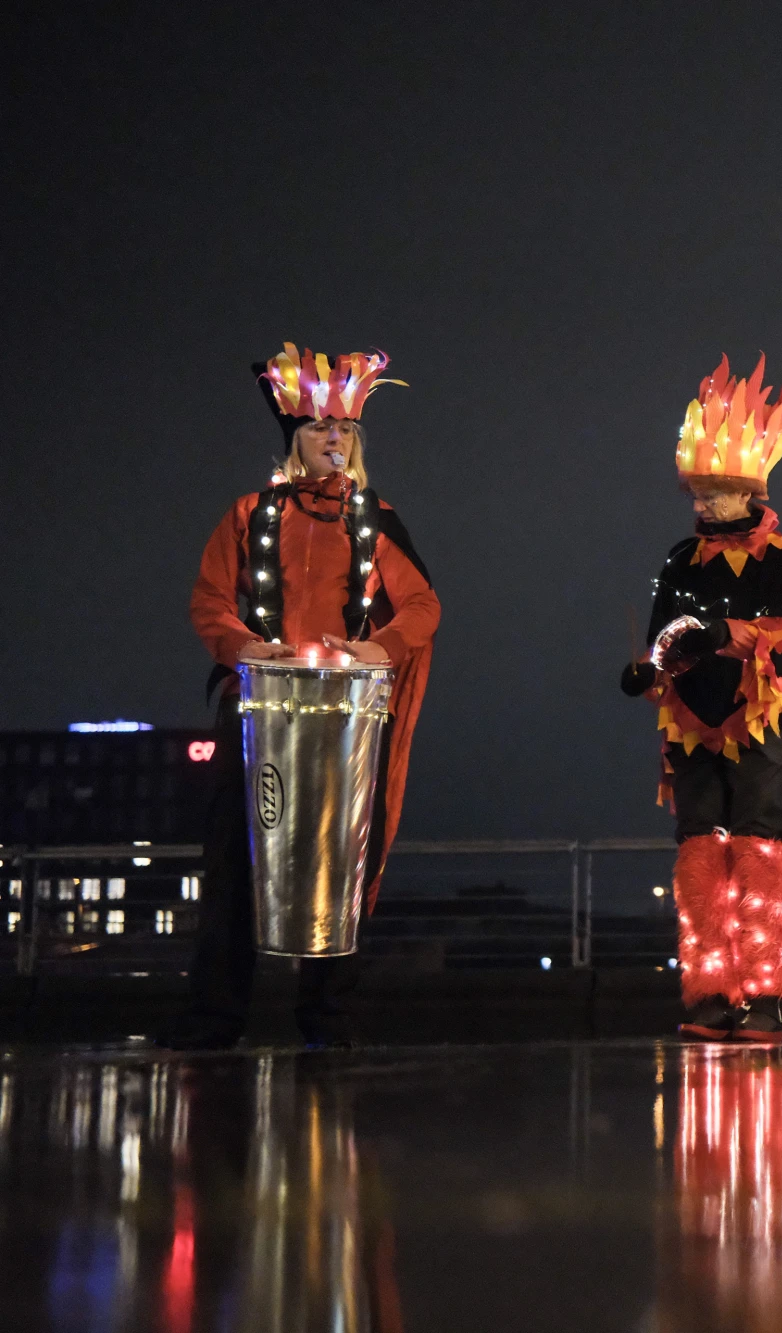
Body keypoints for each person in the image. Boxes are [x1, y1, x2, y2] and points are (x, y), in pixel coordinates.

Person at [162, 344, 440, 1050]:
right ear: (295, 438)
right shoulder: (250, 514)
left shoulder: (376, 518)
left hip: (345, 716)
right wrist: (244, 648)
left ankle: (330, 1022)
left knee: (343, 859)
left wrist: (380, 649)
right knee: (233, 857)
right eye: (320, 428)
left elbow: (422, 606)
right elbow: (209, 602)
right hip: (256, 707)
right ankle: (213, 1019)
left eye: (344, 429)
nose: (334, 439)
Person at [621, 354, 782, 1044]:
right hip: (690, 724)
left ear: (749, 491)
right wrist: (648, 671)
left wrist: (726, 633)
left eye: (714, 491)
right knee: (697, 848)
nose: (701, 503)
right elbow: (663, 640)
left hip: (759, 720)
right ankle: (710, 988)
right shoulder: (680, 560)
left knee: (760, 846)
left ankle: (768, 994)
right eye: (697, 491)